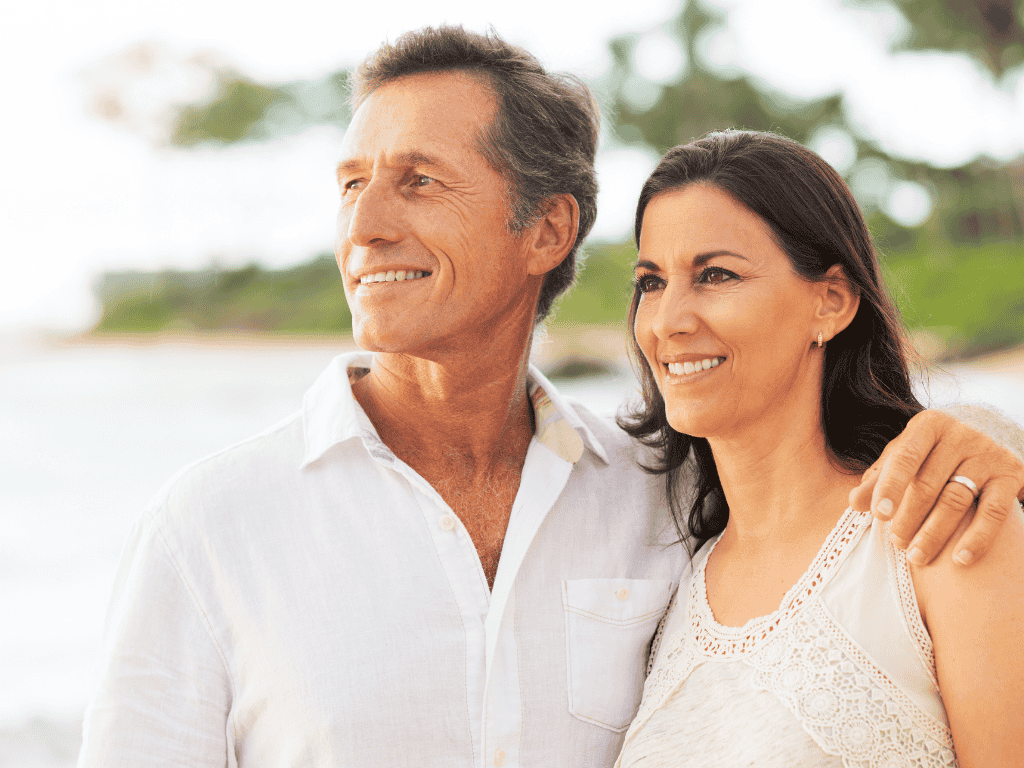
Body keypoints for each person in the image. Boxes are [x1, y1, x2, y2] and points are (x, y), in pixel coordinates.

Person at [78, 27, 1024, 768]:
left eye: (417, 181)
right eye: (351, 184)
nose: (363, 226)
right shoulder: (209, 528)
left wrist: (980, 430)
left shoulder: (654, 493)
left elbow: (818, 491)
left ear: (548, 229)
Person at [614, 130, 1024, 767]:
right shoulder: (663, 568)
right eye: (651, 282)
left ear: (831, 302)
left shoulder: (940, 526)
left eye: (715, 275)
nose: (669, 321)